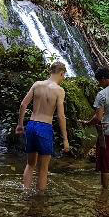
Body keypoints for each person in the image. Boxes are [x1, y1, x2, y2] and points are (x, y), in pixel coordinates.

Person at [15, 61, 70, 192]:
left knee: (30, 164)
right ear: (61, 73)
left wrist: (20, 125)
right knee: (43, 169)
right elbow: (61, 116)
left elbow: (23, 105)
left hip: (32, 125)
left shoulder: (37, 84)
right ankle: (40, 200)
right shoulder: (59, 90)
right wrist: (65, 139)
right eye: (64, 76)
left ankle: (25, 192)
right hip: (45, 127)